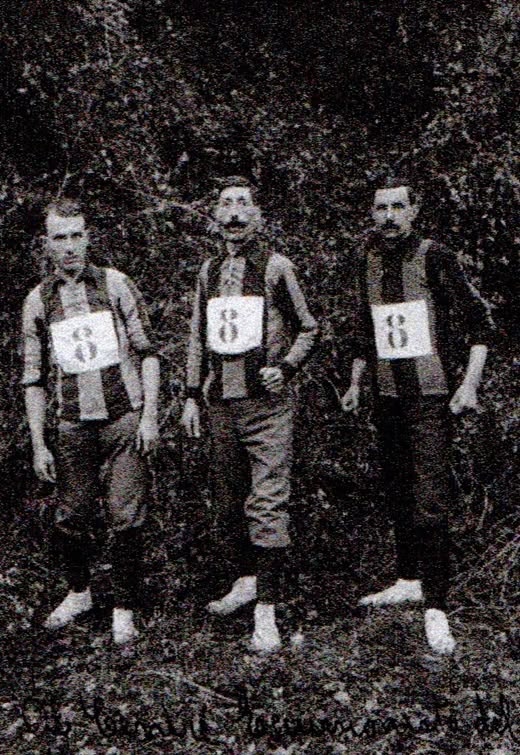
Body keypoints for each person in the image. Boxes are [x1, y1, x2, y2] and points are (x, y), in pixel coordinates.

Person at [341, 179, 490, 655]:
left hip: (431, 394)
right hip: (387, 395)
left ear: (414, 211)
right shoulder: (365, 259)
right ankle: (408, 579)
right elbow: (368, 328)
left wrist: (469, 384)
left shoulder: (433, 256)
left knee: (430, 497)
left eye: (398, 207)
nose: (389, 216)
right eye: (380, 207)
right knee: (398, 486)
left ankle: (437, 609)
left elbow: (479, 325)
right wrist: (356, 381)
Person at [181, 177, 319, 652]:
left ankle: (267, 612)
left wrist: (285, 368)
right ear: (216, 215)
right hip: (221, 403)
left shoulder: (277, 267)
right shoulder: (208, 270)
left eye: (243, 205)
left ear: (257, 214)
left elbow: (308, 327)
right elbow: (198, 336)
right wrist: (190, 395)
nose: (235, 214)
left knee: (267, 502)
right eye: (226, 205)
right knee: (228, 497)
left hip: (267, 407)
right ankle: (244, 582)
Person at [22, 199, 160, 645]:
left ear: (88, 236)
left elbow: (148, 352)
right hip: (71, 425)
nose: (69, 247)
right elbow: (34, 379)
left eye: (76, 235)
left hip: (123, 418)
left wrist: (150, 416)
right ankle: (80, 592)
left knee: (126, 515)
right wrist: (40, 442)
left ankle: (124, 607)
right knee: (71, 516)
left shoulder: (116, 284)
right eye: (60, 238)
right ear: (47, 244)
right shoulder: (37, 300)